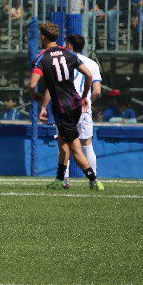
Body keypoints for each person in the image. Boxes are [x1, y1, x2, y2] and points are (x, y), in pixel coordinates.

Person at [29, 22, 103, 191]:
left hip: (62, 107)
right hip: (75, 104)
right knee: (63, 143)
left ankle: (93, 180)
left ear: (42, 37)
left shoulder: (42, 56)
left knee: (75, 147)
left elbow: (32, 85)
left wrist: (36, 97)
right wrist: (84, 96)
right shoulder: (67, 54)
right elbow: (89, 76)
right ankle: (59, 179)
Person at [65, 34, 103, 179]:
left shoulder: (63, 61)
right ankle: (93, 179)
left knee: (65, 144)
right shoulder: (92, 64)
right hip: (84, 108)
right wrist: (87, 100)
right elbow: (97, 91)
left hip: (66, 105)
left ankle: (63, 179)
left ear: (69, 46)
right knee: (87, 144)